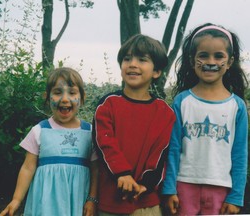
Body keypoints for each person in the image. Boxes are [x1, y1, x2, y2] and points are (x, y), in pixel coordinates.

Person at [162, 23, 249, 215]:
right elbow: (173, 149)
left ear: (229, 62)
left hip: (220, 188)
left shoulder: (237, 106)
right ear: (192, 61)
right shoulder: (182, 101)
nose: (211, 62)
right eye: (203, 55)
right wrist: (169, 189)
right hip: (183, 185)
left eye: (219, 56)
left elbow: (240, 155)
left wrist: (236, 196)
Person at [93, 34, 176, 216]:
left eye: (142, 59)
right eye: (127, 59)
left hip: (147, 202)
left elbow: (161, 155)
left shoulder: (165, 113)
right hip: (110, 202)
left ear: (156, 71)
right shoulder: (108, 104)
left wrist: (145, 184)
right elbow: (104, 144)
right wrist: (122, 173)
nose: (132, 64)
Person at [0, 67, 98, 216]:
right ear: (47, 97)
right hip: (45, 205)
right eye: (58, 92)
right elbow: (27, 168)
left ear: (82, 98)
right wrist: (16, 199)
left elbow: (96, 170)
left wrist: (92, 199)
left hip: (77, 203)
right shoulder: (39, 131)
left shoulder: (90, 133)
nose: (65, 99)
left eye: (72, 92)